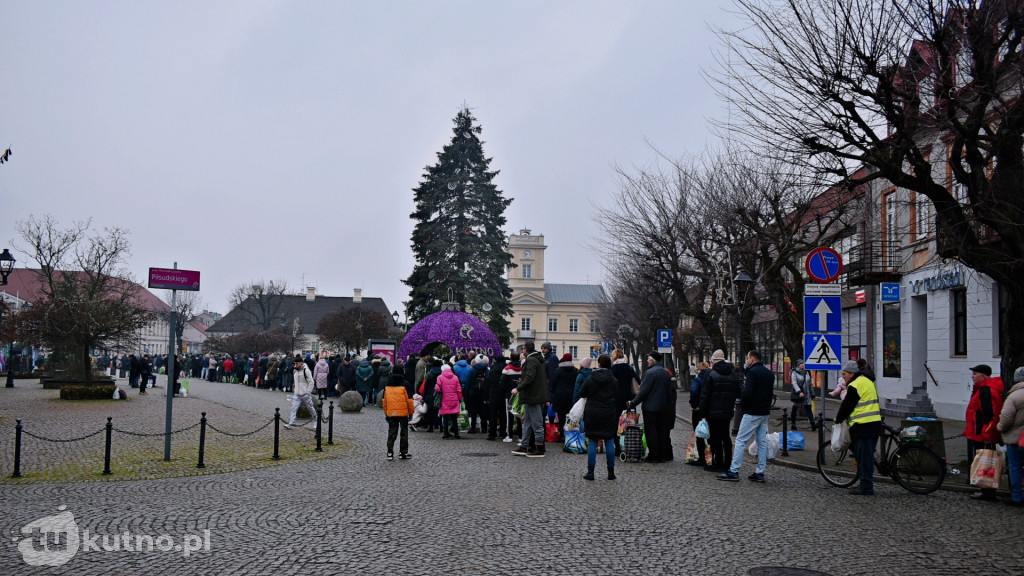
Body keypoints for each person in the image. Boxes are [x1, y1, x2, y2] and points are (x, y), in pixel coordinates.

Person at [719, 350, 774, 482]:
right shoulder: (769, 373)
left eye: (748, 358)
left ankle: (734, 471)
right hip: (764, 412)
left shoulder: (753, 373)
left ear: (752, 359)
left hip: (752, 411)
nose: (747, 361)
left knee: (740, 440)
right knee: (761, 442)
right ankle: (760, 472)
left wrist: (743, 405)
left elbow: (747, 393)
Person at [832, 360, 882, 495]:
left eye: (844, 374)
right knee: (866, 456)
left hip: (863, 425)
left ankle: (866, 486)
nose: (843, 377)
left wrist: (838, 419)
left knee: (864, 458)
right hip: (874, 423)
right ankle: (865, 483)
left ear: (852, 373)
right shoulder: (867, 382)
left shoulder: (855, 385)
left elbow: (847, 405)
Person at [964, 364, 1005, 501]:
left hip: (981, 434)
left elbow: (990, 415)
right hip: (977, 432)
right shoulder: (983, 389)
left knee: (986, 462)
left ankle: (987, 491)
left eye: (975, 374)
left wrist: (987, 435)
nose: (973, 376)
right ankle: (985, 489)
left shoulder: (986, 390)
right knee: (984, 461)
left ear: (982, 375)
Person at [626, 351, 674, 464]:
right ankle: (662, 454)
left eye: (648, 359)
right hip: (663, 407)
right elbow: (669, 392)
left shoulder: (650, 373)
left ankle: (654, 455)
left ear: (652, 360)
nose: (647, 361)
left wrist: (632, 403)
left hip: (651, 408)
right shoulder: (665, 373)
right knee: (661, 431)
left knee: (651, 431)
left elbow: (643, 392)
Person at [579, 354, 618, 481]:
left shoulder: (591, 378)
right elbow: (616, 393)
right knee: (609, 440)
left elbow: (582, 393)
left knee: (593, 440)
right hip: (608, 411)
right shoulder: (613, 380)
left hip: (593, 412)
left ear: (599, 364)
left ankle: (590, 472)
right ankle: (611, 472)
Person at [701, 351, 741, 472]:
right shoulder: (733, 374)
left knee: (715, 437)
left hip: (713, 411)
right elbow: (738, 393)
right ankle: (728, 462)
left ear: (713, 361)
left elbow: (705, 395)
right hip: (727, 411)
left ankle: (718, 463)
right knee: (726, 436)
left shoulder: (711, 374)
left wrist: (703, 413)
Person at [511, 341, 550, 458]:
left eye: (523, 349)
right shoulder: (536, 359)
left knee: (537, 423)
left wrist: (518, 388)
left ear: (526, 350)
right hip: (531, 396)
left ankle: (540, 448)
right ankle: (524, 445)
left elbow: (530, 377)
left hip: (533, 396)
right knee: (526, 423)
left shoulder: (532, 360)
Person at [997, 366, 1024, 507]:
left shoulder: (1013, 396)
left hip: (1016, 438)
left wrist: (1000, 428)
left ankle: (1017, 496)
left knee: (1015, 466)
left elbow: (1006, 418)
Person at [382, 364, 414, 460]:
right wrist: (411, 412)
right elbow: (409, 400)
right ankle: (403, 452)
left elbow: (385, 400)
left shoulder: (388, 384)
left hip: (391, 412)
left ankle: (390, 452)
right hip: (403, 412)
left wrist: (386, 412)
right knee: (404, 432)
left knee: (392, 432)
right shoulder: (405, 383)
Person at [284, 355, 318, 429]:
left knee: (310, 408)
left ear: (301, 363)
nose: (296, 365)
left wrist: (308, 392)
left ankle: (316, 420)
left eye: (297, 363)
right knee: (294, 408)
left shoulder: (306, 370)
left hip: (305, 394)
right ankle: (291, 423)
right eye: (295, 363)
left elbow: (311, 382)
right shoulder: (295, 370)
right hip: (297, 394)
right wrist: (295, 390)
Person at [687, 361, 710, 466]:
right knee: (711, 435)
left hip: (699, 410)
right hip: (710, 410)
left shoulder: (698, 380)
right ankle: (712, 457)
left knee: (699, 434)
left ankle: (702, 458)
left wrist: (694, 405)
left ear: (699, 370)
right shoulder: (711, 378)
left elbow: (694, 391)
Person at [550, 353, 578, 438]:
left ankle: (562, 434)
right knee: (571, 415)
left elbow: (553, 383)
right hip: (571, 395)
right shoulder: (575, 370)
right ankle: (570, 433)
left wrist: (554, 393)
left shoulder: (558, 370)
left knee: (561, 416)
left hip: (560, 396)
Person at [435, 363, 464, 439]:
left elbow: (437, 388)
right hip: (454, 399)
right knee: (454, 417)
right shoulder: (455, 377)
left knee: (445, 417)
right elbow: (459, 390)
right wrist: (459, 398)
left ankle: (446, 433)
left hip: (444, 399)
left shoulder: (440, 377)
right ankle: (456, 433)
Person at [499, 352, 523, 442]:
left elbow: (502, 383)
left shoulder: (507, 369)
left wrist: (504, 392)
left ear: (511, 358)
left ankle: (509, 435)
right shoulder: (523, 368)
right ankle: (521, 436)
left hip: (509, 394)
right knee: (520, 414)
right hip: (521, 394)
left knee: (509, 415)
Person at [485, 355, 508, 441]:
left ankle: (492, 434)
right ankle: (503, 432)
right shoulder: (506, 368)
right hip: (503, 394)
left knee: (493, 415)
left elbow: (488, 382)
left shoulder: (493, 369)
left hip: (493, 394)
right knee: (503, 415)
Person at [465, 355, 489, 434]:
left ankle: (473, 428)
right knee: (483, 412)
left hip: (473, 394)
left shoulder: (472, 370)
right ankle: (484, 428)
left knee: (473, 412)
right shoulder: (487, 370)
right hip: (483, 393)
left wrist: (466, 393)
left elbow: (468, 382)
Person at [789, 362, 816, 430]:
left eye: (803, 363)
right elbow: (794, 383)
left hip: (806, 394)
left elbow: (810, 384)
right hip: (798, 394)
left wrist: (812, 394)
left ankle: (813, 425)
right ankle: (793, 424)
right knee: (795, 408)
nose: (803, 365)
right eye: (801, 363)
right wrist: (799, 392)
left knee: (809, 409)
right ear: (798, 365)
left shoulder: (807, 372)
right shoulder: (794, 372)